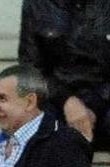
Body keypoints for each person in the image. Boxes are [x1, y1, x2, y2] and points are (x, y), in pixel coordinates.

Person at [18, 0, 110, 147]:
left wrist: (94, 106)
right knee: (35, 124)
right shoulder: (37, 4)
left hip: (103, 101)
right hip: (55, 100)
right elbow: (31, 70)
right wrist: (67, 101)